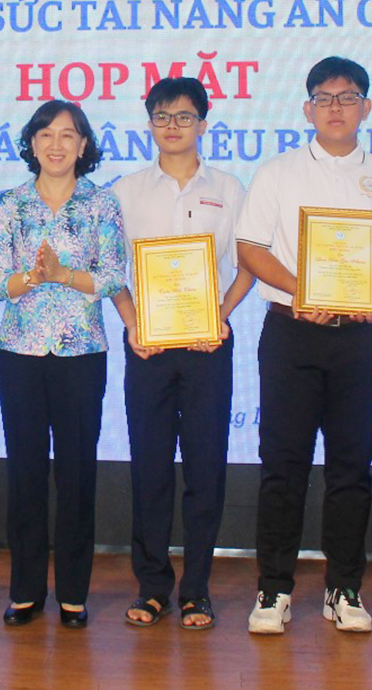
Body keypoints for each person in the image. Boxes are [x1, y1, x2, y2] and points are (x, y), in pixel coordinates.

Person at [235, 56, 372, 635]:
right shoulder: (277, 173)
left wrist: (368, 289)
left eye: (348, 97)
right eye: (325, 98)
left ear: (367, 107)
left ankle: (344, 588)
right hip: (291, 332)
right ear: (307, 109)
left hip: (360, 337)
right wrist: (301, 290)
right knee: (282, 465)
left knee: (351, 467)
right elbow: (250, 249)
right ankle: (274, 588)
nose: (336, 108)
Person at [110, 77, 253, 630]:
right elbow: (110, 270)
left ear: (203, 124)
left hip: (206, 345)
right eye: (162, 117)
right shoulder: (126, 191)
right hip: (148, 348)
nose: (173, 126)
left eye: (184, 116)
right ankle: (152, 587)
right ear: (149, 124)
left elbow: (248, 264)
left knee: (204, 468)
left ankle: (196, 589)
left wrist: (222, 314)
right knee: (149, 468)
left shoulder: (229, 189)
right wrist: (132, 323)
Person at [0, 99, 127, 629]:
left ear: (83, 145)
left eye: (68, 135)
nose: (56, 144)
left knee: (76, 474)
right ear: (31, 142)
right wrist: (33, 276)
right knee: (24, 474)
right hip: (19, 353)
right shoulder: (10, 204)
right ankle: (25, 590)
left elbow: (112, 276)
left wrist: (63, 274)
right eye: (45, 133)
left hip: (81, 354)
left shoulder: (101, 203)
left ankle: (73, 592)